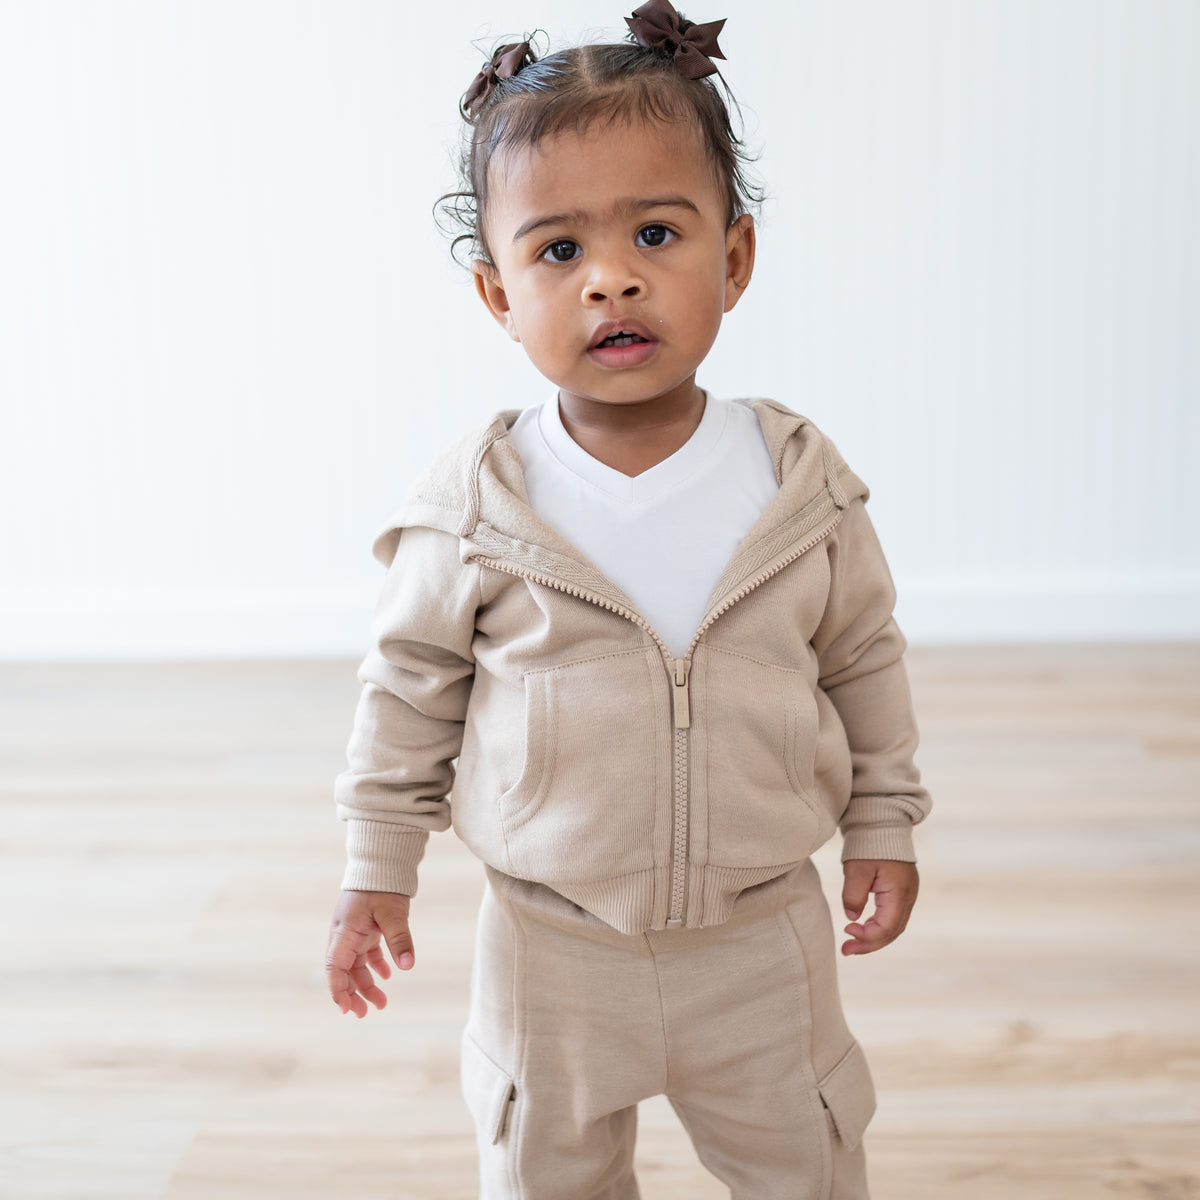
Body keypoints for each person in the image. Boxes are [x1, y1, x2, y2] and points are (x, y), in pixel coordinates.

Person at [324, 3, 931, 1196]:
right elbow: (407, 690)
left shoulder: (797, 484)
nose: (612, 279)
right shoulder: (478, 505)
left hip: (762, 940)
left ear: (734, 259)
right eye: (559, 252)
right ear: (498, 295)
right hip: (550, 947)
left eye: (657, 233)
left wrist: (886, 820)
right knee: (544, 1171)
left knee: (804, 1159)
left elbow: (862, 656)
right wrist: (374, 868)